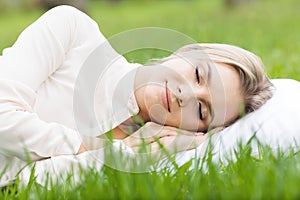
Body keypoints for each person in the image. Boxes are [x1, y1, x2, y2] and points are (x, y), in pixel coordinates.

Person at [0, 5, 273, 186]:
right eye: (199, 74)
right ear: (185, 51)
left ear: (198, 131)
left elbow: (23, 184)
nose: (186, 95)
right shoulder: (74, 32)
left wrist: (129, 154)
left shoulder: (149, 156)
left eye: (202, 111)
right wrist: (95, 147)